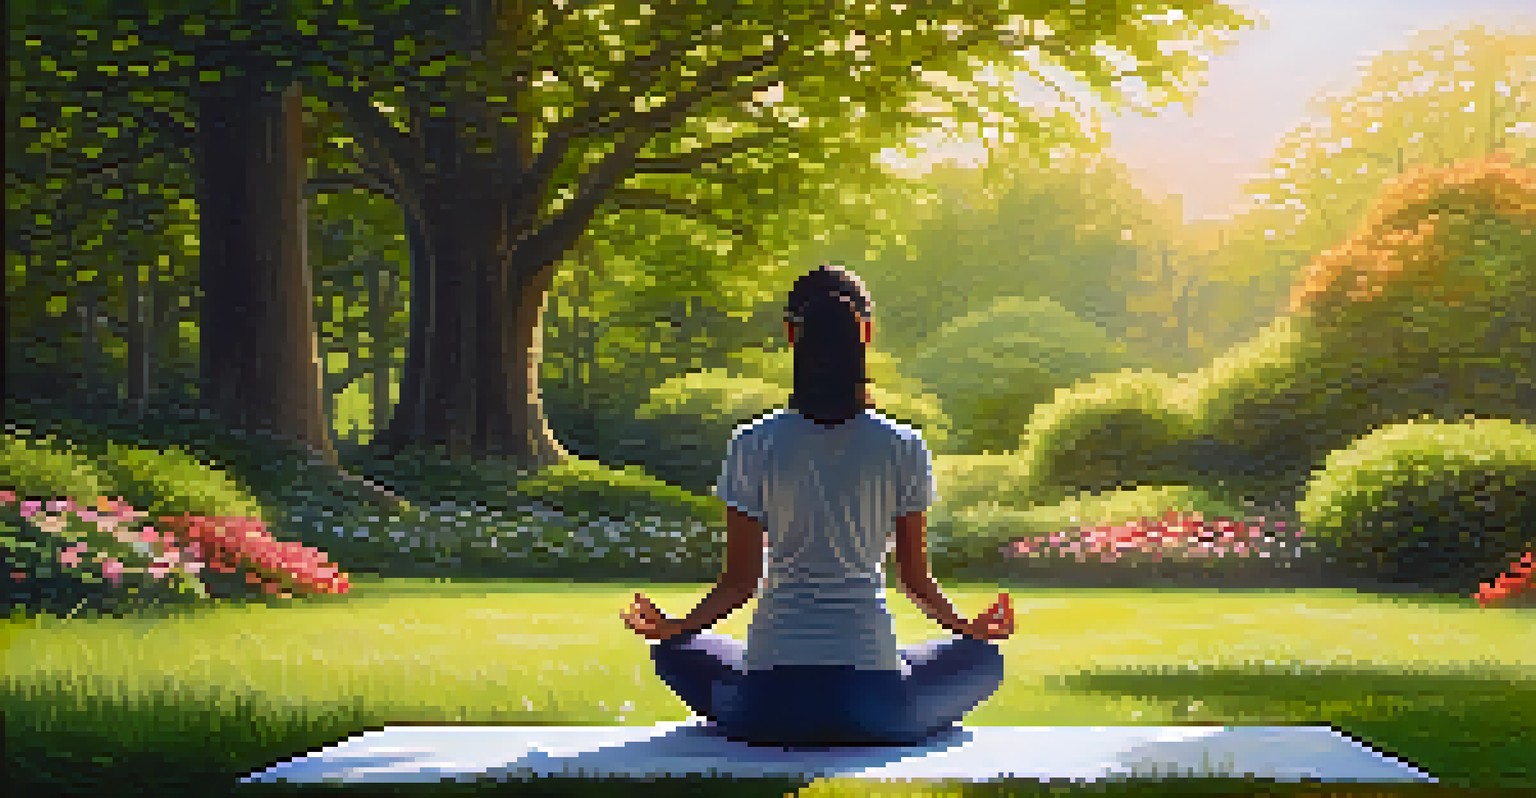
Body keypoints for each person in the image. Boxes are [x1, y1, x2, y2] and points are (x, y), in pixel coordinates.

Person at [619, 264, 1014, 747]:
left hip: (769, 707)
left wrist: (676, 626)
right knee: (982, 658)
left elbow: (739, 583)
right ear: (866, 332)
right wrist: (968, 627)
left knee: (673, 650)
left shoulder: (752, 442)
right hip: (875, 705)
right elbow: (914, 581)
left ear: (791, 335)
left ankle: (759, 702)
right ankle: (888, 700)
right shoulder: (903, 446)